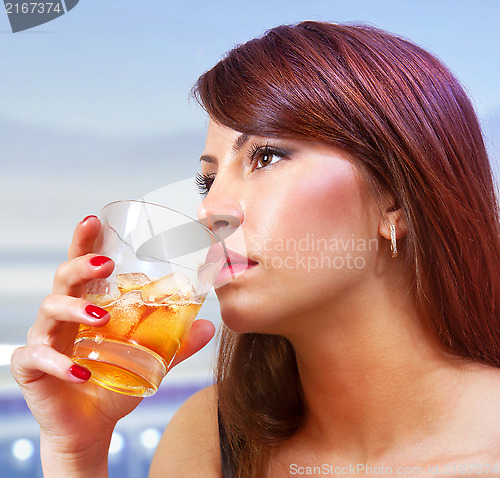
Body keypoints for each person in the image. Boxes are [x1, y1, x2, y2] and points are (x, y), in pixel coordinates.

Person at [11, 21, 500, 478]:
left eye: (265, 156)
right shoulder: (208, 441)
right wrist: (77, 454)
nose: (210, 212)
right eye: (208, 180)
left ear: (395, 197)